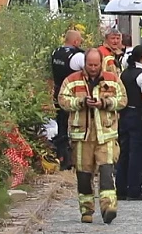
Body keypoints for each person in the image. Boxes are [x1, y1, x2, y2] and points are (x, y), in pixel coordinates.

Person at [57, 48, 127, 224]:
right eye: (90, 64)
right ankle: (86, 210)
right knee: (83, 174)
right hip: (82, 136)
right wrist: (80, 102)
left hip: (106, 134)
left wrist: (105, 103)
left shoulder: (112, 80)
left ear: (101, 63)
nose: (94, 68)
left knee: (106, 171)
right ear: (85, 64)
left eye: (96, 64)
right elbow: (62, 100)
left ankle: (108, 207)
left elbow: (123, 99)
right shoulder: (71, 81)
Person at [116, 46, 142, 201]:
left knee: (124, 152)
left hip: (124, 114)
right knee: (137, 154)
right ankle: (134, 189)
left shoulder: (125, 73)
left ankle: (121, 188)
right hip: (139, 115)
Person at [50, 29, 85, 171]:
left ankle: (62, 156)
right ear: (75, 41)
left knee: (61, 124)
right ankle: (72, 157)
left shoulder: (55, 52)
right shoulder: (77, 56)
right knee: (75, 124)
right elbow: (89, 71)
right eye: (80, 41)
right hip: (72, 94)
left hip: (58, 92)